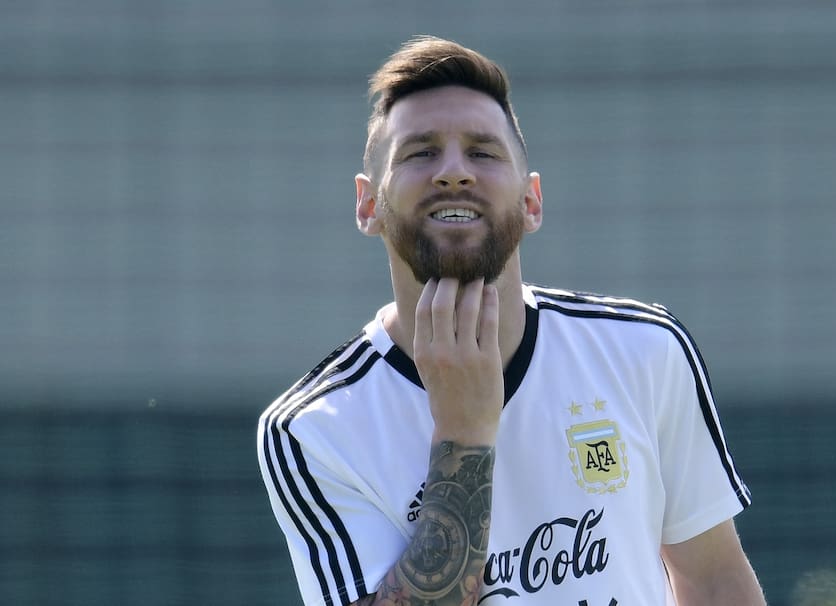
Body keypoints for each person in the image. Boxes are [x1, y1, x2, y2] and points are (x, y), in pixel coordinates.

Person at [257, 35, 765, 606]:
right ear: (368, 204)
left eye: (483, 152)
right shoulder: (312, 429)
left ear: (532, 201)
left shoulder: (645, 349)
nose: (454, 173)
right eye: (420, 152)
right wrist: (464, 437)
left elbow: (714, 578)